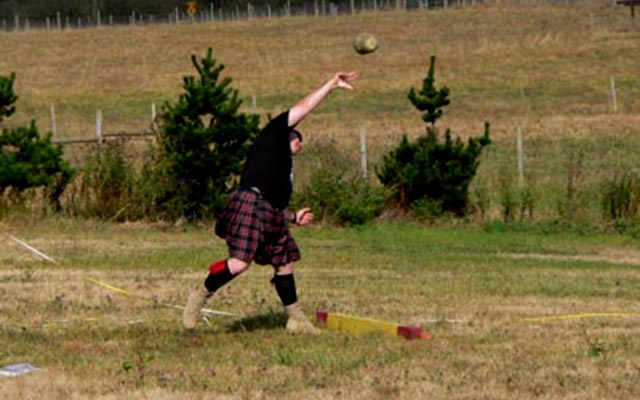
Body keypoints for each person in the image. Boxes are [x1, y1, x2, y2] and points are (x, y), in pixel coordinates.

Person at [182, 71, 359, 334]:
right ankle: (198, 297)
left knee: (285, 261)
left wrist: (293, 217)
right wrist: (331, 85)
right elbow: (304, 107)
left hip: (268, 211)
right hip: (249, 203)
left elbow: (273, 205)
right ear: (288, 135)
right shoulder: (273, 134)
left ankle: (296, 319)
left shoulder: (283, 167)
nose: (301, 143)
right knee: (240, 263)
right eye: (298, 138)